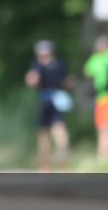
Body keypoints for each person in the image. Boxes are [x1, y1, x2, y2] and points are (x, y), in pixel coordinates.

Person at [24, 40, 73, 170]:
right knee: (58, 126)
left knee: (44, 132)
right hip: (58, 98)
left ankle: (46, 163)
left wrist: (31, 80)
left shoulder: (38, 65)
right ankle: (62, 152)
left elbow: (32, 80)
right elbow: (68, 82)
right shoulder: (59, 64)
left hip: (46, 99)